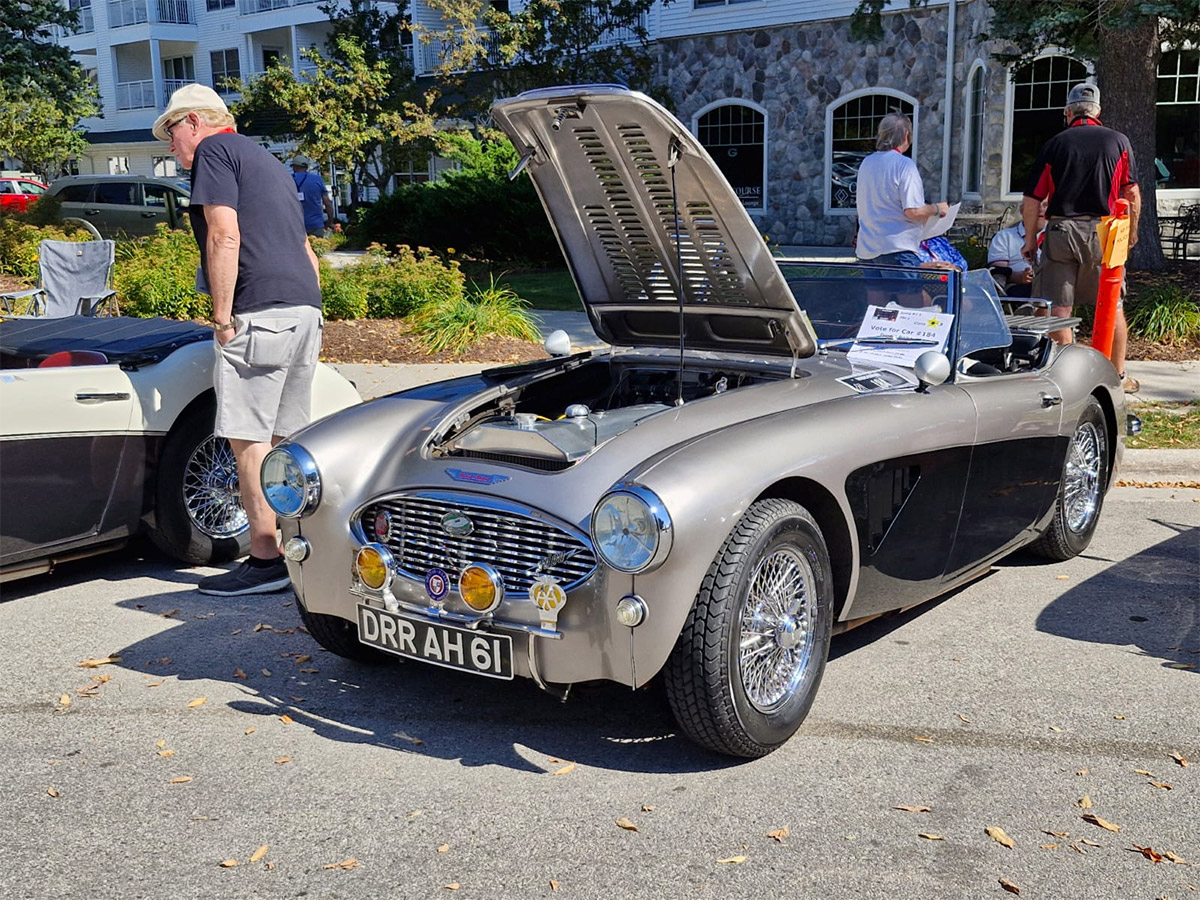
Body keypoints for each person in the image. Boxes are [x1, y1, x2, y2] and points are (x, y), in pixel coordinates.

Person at [153, 83, 324, 595]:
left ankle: (265, 556)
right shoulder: (266, 160)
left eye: (170, 132)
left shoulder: (213, 152)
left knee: (246, 437)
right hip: (303, 309)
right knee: (287, 437)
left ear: (195, 123)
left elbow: (224, 233)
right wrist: (315, 313)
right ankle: (301, 547)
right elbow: (304, 246)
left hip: (258, 313)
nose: (170, 145)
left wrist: (223, 317)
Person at [1021, 82, 1141, 392]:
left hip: (1063, 230)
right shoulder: (1119, 141)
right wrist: (1132, 233)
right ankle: (1117, 378)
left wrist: (1030, 239)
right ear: (1098, 112)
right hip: (1106, 231)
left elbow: (1032, 200)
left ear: (1068, 112)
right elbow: (1132, 192)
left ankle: (1068, 379)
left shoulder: (1055, 144)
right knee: (1113, 305)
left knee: (1059, 308)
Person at [855, 112, 950, 267]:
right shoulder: (904, 165)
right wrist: (937, 209)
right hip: (896, 247)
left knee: (875, 292)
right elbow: (913, 211)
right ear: (906, 135)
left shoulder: (867, 163)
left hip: (868, 247)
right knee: (909, 292)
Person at [988, 198, 1048, 298]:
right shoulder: (1004, 237)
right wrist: (1020, 277)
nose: (1040, 209)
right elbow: (997, 273)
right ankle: (1028, 309)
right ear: (1022, 210)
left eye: (1045, 205)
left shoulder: (1056, 237)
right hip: (1016, 287)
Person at [290, 155, 337, 238]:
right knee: (316, 248)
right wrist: (330, 221)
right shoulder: (317, 180)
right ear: (306, 167)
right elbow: (327, 203)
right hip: (315, 224)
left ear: (294, 167)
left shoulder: (288, 180)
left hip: (294, 225)